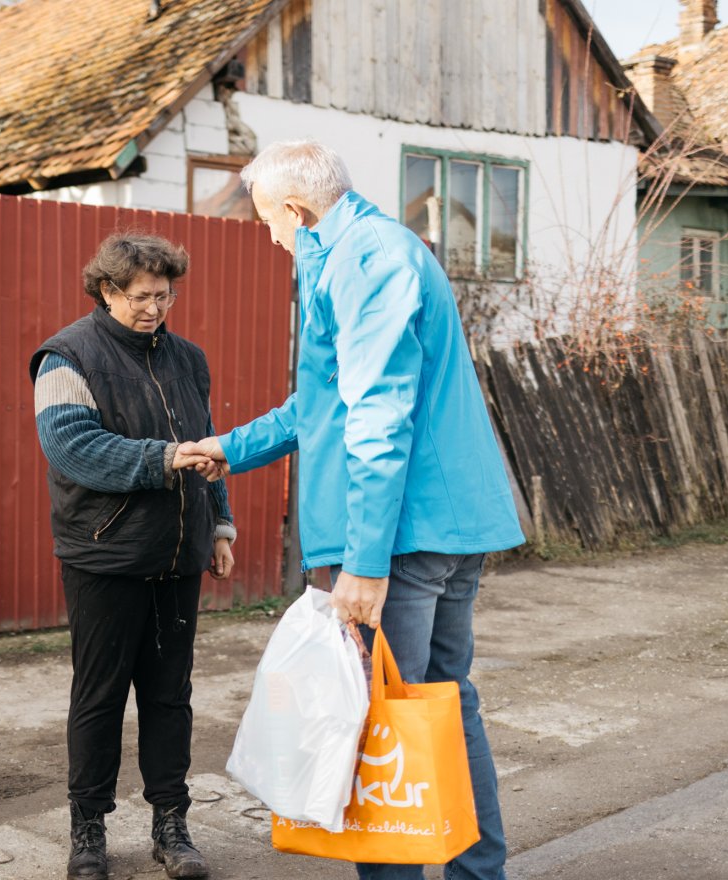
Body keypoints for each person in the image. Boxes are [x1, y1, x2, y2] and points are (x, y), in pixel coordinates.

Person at [188, 141, 524, 880]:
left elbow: (377, 414)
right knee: (436, 707)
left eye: (269, 222)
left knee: (380, 720)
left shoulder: (362, 262)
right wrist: (232, 447)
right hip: (439, 525)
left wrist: (366, 563)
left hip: (402, 537)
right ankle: (477, 873)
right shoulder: (365, 251)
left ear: (297, 212)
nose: (269, 236)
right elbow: (323, 401)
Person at [28, 233, 237, 880]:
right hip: (104, 558)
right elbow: (74, 449)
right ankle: (87, 829)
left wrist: (221, 523)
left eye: (165, 294)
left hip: (177, 556)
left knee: (170, 698)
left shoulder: (189, 359)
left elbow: (205, 443)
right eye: (143, 296)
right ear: (107, 291)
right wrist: (163, 457)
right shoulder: (66, 357)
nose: (157, 307)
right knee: (99, 698)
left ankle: (171, 826)